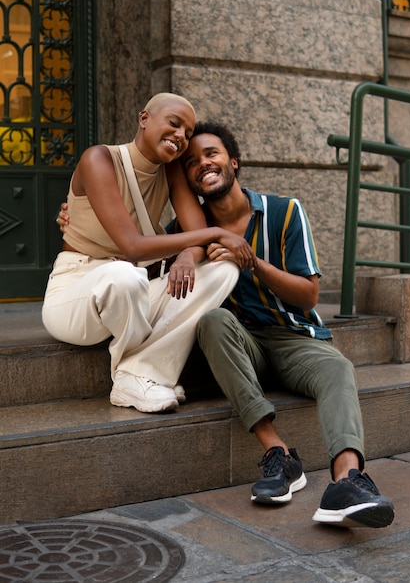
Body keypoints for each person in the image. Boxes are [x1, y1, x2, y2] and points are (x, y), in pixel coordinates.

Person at [175, 120, 394, 529]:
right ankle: (280, 456)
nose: (202, 164)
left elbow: (308, 296)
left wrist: (251, 260)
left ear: (233, 163)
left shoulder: (284, 210)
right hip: (242, 346)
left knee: (338, 367)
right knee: (213, 321)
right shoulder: (189, 230)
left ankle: (347, 481)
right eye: (190, 162)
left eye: (211, 154)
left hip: (295, 338)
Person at [43, 93, 256, 414]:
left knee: (222, 270)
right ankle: (133, 373)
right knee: (124, 275)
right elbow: (131, 246)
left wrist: (188, 253)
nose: (181, 136)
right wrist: (214, 233)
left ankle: (140, 372)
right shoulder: (99, 159)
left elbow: (194, 237)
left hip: (132, 289)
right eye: (174, 124)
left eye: (187, 132)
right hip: (76, 294)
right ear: (144, 118)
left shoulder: (170, 172)